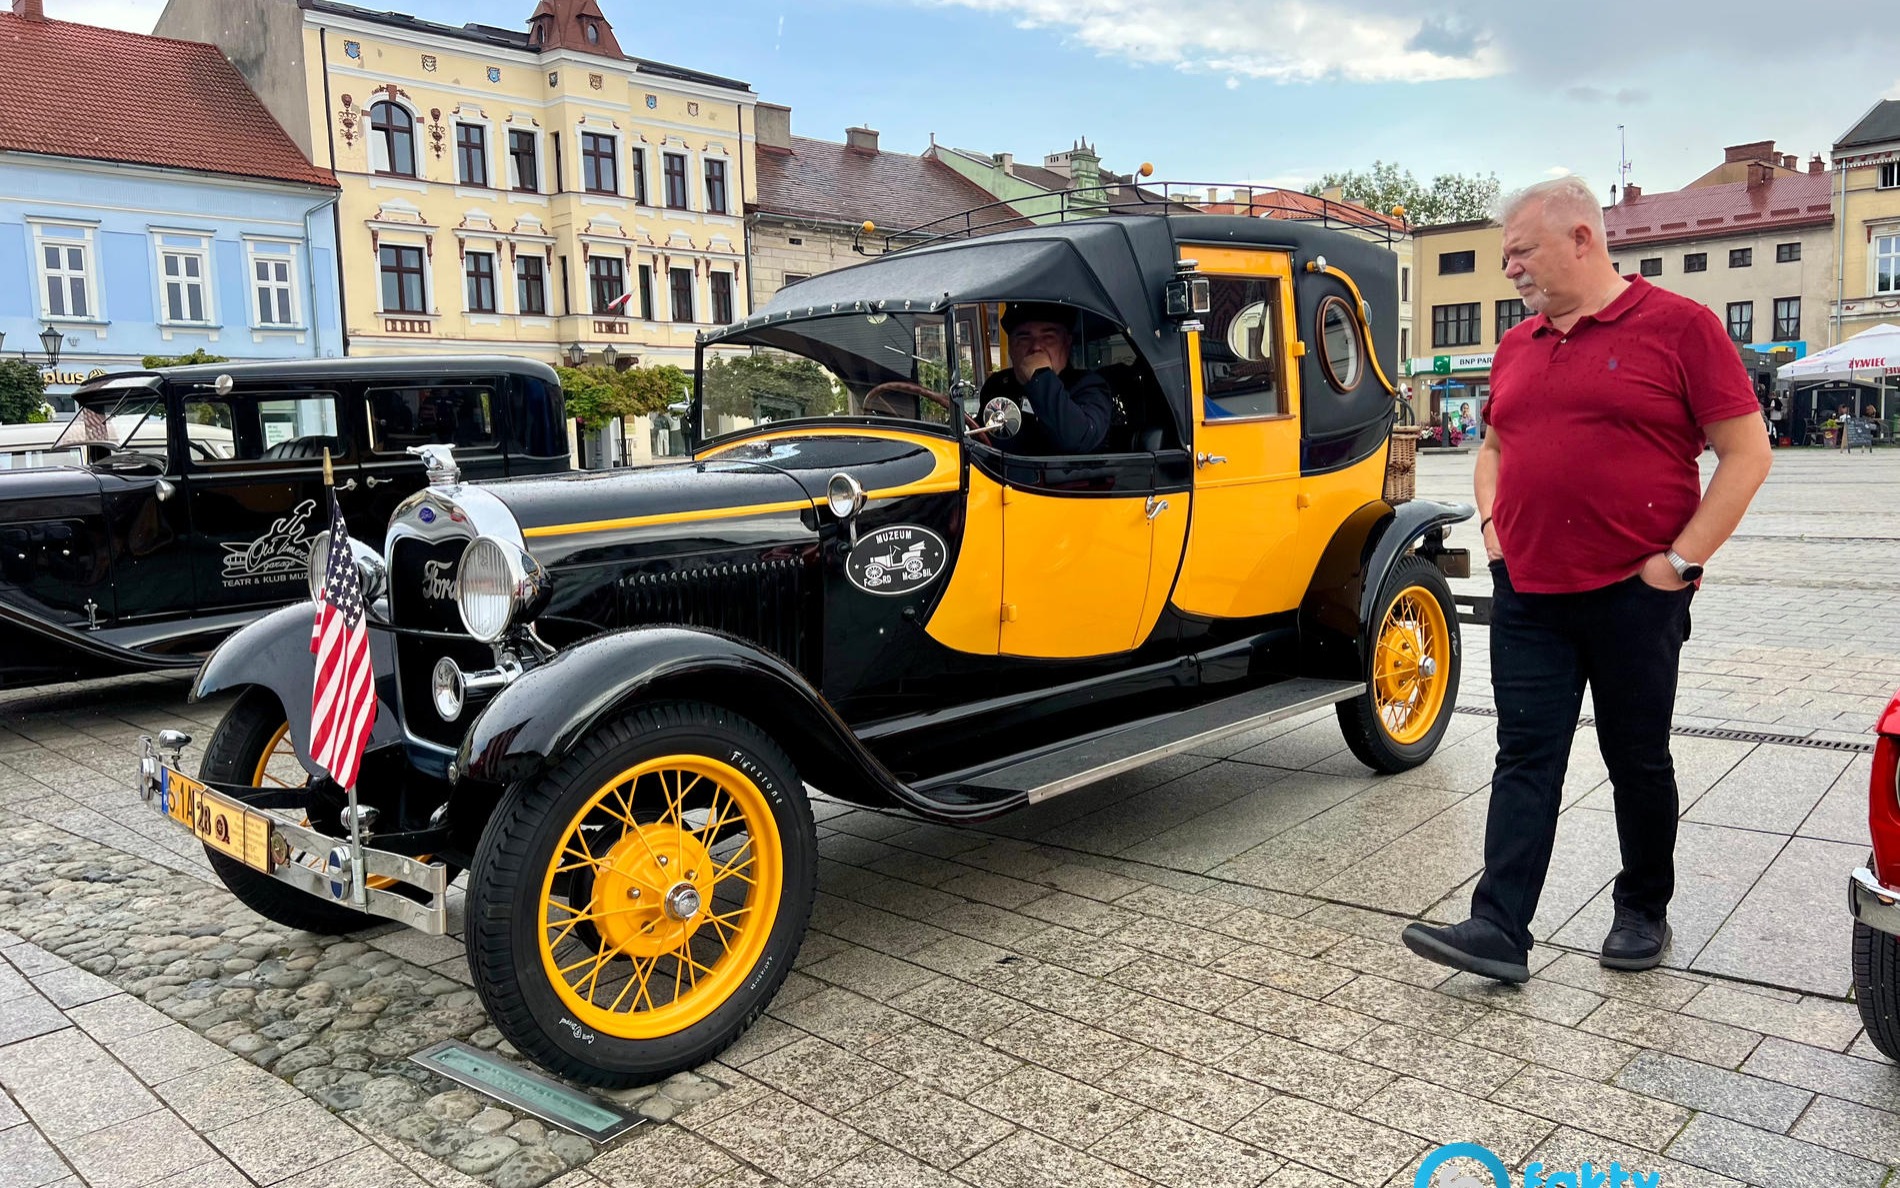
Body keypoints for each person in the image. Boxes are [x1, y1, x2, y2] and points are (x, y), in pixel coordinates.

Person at [1400, 176, 1772, 983]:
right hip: (1531, 594)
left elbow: (1747, 453)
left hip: (1634, 597)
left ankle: (1642, 908)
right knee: (1523, 754)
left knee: (1635, 756)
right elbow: (1494, 450)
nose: (1511, 271)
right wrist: (1496, 535)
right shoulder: (1515, 346)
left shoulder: (1682, 327)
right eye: (1505, 258)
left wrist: (1678, 563)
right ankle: (1499, 928)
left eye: (1522, 252)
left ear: (1581, 239)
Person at [978, 303, 1112, 454]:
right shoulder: (998, 385)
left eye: (1048, 337)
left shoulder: (1089, 386)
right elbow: (982, 438)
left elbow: (1078, 440)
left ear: (1066, 343)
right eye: (1024, 337)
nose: (1036, 347)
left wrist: (1040, 377)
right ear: (1011, 346)